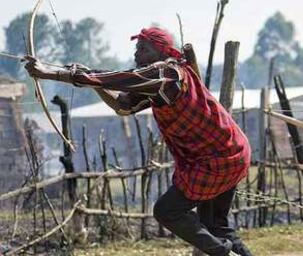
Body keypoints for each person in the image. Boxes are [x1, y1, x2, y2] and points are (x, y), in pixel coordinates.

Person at [25, 27, 252, 256]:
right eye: (137, 49)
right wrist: (94, 82)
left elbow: (123, 79)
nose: (137, 55)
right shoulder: (161, 82)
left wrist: (49, 73)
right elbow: (123, 106)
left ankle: (223, 254)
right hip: (230, 153)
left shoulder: (166, 74)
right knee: (216, 228)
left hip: (219, 160)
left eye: (143, 49)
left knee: (167, 210)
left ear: (161, 52)